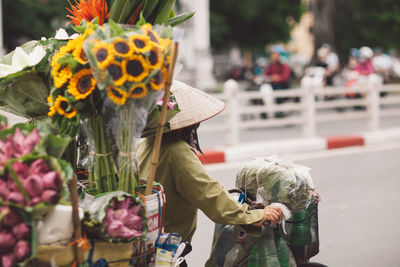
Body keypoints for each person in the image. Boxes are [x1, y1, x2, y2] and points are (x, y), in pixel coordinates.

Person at [136, 81, 282, 242]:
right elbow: (209, 195)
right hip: (163, 246)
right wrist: (254, 216)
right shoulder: (176, 150)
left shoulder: (147, 143)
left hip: (144, 237)